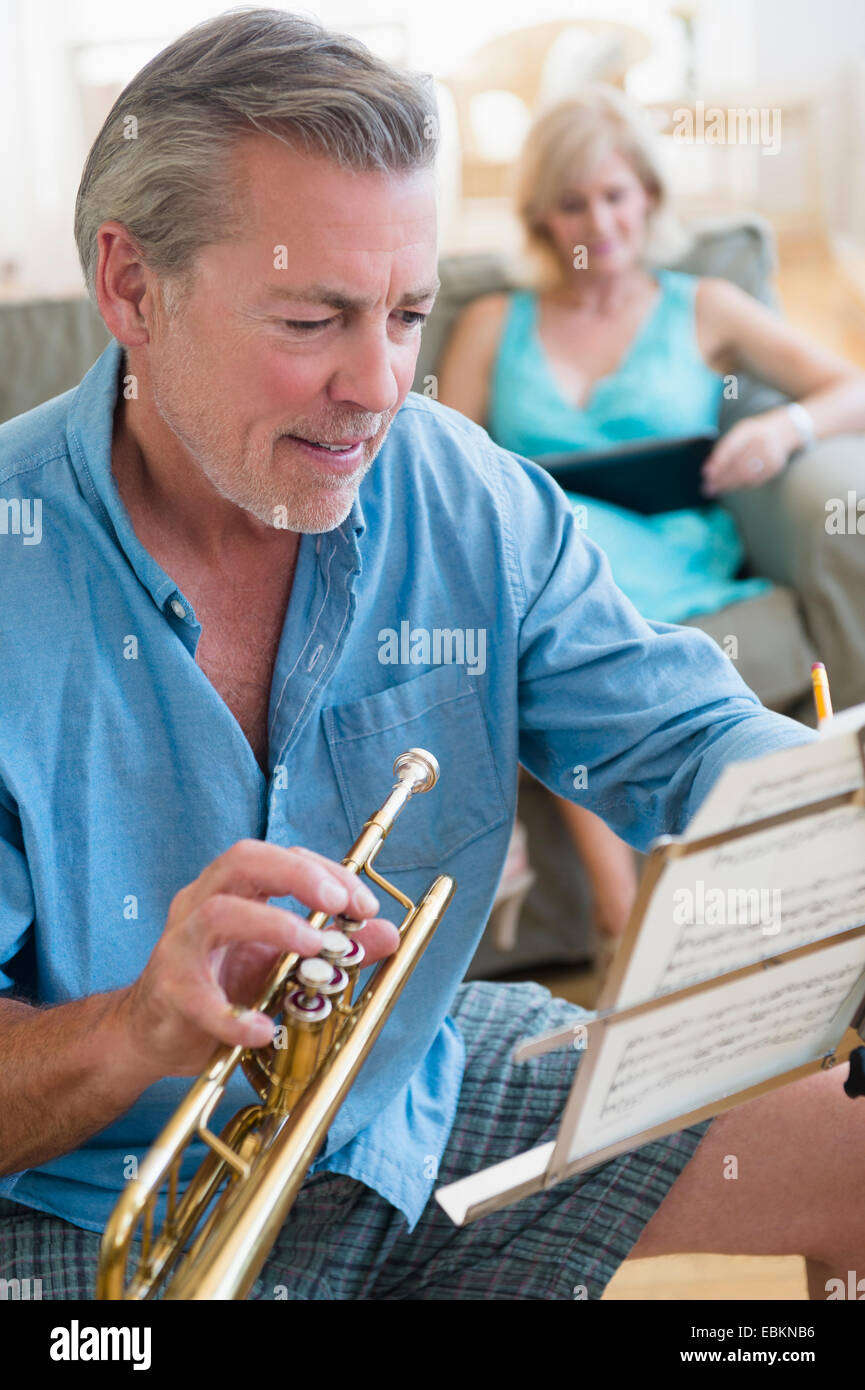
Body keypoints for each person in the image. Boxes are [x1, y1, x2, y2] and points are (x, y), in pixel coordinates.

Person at [0, 10, 861, 1303]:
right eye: (313, 320)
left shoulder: (460, 489)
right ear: (129, 285)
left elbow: (685, 738)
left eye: (406, 312)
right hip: (87, 1197)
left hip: (408, 1099)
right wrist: (134, 1028)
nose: (381, 382)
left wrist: (832, 827)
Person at [437, 87, 865, 949]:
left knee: (558, 629)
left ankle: (626, 920)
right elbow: (445, 465)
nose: (597, 220)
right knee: (535, 599)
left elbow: (848, 385)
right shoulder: (492, 321)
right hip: (548, 559)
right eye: (571, 202)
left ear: (648, 199)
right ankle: (621, 913)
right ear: (542, 219)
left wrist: (783, 427)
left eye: (614, 194)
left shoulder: (702, 305)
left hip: (667, 560)